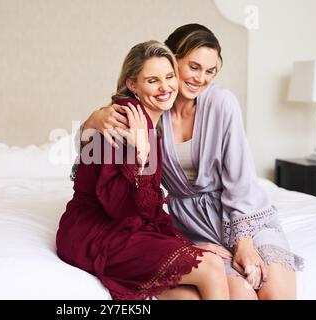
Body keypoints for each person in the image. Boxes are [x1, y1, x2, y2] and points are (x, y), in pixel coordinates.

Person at [78, 24, 304, 300]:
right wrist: (92, 121)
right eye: (194, 67)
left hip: (245, 219)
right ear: (172, 60)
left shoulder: (221, 103)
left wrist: (243, 242)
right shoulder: (152, 111)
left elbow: (241, 178)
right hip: (191, 226)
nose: (201, 79)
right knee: (242, 296)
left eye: (210, 71)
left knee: (277, 295)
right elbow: (98, 160)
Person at [56, 40, 230, 300]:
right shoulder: (122, 123)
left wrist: (184, 244)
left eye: (169, 77)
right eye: (152, 80)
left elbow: (146, 209)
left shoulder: (151, 124)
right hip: (94, 233)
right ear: (132, 84)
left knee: (189, 297)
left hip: (127, 227)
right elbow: (120, 206)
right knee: (211, 267)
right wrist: (140, 153)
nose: (165, 87)